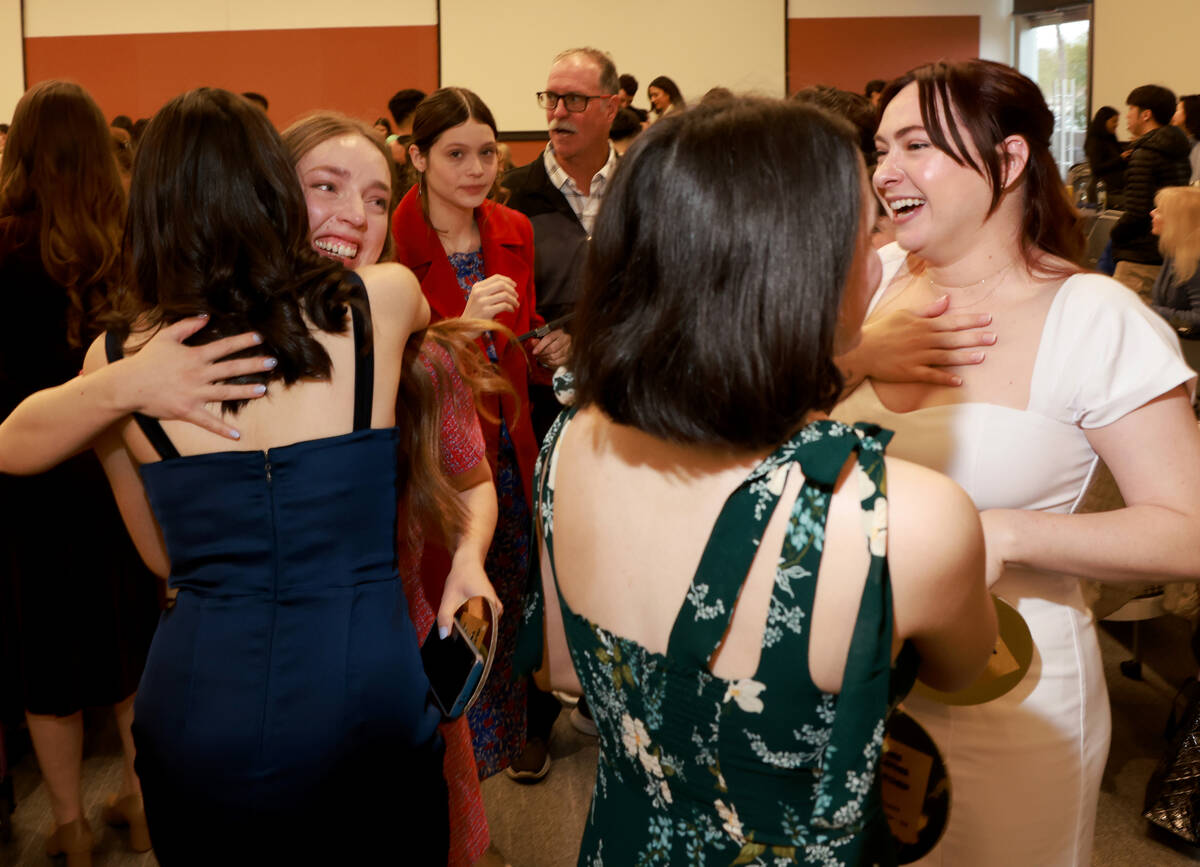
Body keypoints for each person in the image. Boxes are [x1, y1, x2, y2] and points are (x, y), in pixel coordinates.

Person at [528, 95, 996, 866]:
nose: (877, 255)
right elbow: (964, 666)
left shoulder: (571, 438)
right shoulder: (899, 516)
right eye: (865, 228)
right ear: (800, 266)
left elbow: (563, 666)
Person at [56, 87, 442, 864]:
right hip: (364, 680)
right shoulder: (383, 302)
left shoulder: (116, 365)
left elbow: (162, 558)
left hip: (199, 695)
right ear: (274, 195)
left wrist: (127, 382)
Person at [836, 59, 1200, 866]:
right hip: (854, 678)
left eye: (917, 144)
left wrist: (997, 531)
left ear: (1007, 161)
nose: (885, 170)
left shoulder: (1094, 316)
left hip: (1006, 686)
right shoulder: (877, 274)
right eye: (881, 146)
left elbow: (1188, 531)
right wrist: (858, 354)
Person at [281, 109, 505, 867]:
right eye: (326, 186)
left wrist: (469, 558)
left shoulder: (421, 356)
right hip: (269, 674)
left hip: (397, 654)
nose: (357, 216)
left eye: (378, 199)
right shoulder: (217, 354)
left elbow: (474, 480)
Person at [0, 79, 163, 867]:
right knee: (134, 649)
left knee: (46, 661)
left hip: (26, 475)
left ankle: (65, 824)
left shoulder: (1, 239)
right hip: (120, 470)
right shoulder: (133, 235)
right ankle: (141, 803)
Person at [392, 86, 570, 781]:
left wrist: (540, 345)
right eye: (455, 153)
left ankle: (498, 754)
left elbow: (514, 335)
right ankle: (450, 779)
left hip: (506, 441)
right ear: (417, 156)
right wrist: (460, 325)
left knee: (506, 599)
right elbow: (399, 370)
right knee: (440, 611)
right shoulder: (393, 243)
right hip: (431, 455)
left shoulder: (511, 227)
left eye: (487, 153)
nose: (476, 168)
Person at [503, 46, 620, 776]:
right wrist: (539, 338)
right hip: (540, 401)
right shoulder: (514, 194)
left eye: (575, 100)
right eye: (550, 98)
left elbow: (660, 275)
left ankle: (610, 698)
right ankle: (534, 713)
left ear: (613, 103)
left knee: (616, 546)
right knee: (538, 550)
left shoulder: (644, 184)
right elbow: (494, 290)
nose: (558, 113)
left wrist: (593, 335)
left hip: (625, 398)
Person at [1111, 84, 1193, 300]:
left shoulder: (1145, 154)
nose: (1127, 116)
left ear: (1146, 115)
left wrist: (1115, 234)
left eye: (1131, 109)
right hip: (1166, 249)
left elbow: (1137, 212)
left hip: (1139, 255)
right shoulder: (1179, 149)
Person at [1150, 186, 1200, 332]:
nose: (1152, 213)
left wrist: (1151, 312)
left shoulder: (1195, 260)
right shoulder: (1175, 253)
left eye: (1159, 211)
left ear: (1176, 220)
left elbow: (1198, 318)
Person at [1084, 105, 1126, 207]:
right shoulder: (1094, 142)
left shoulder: (1111, 139)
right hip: (1102, 191)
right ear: (1104, 121)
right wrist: (1120, 159)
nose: (1116, 124)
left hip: (1115, 190)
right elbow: (1096, 168)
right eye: (1114, 121)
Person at [1172, 94, 1200, 184]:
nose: (1173, 115)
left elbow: (1195, 184)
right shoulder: (1185, 144)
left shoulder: (1198, 147)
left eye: (1177, 110)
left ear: (1190, 113)